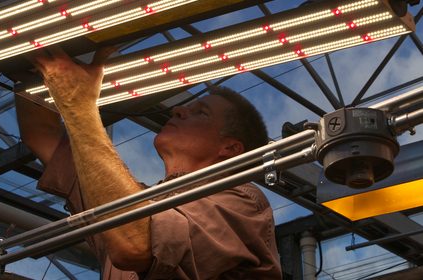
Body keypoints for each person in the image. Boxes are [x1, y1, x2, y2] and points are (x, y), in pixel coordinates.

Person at [15, 47, 282, 279]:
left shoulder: (243, 201)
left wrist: (80, 105)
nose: (178, 110)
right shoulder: (123, 204)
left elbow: (136, 243)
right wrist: (28, 65)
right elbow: (42, 134)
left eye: (201, 112)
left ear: (230, 148)